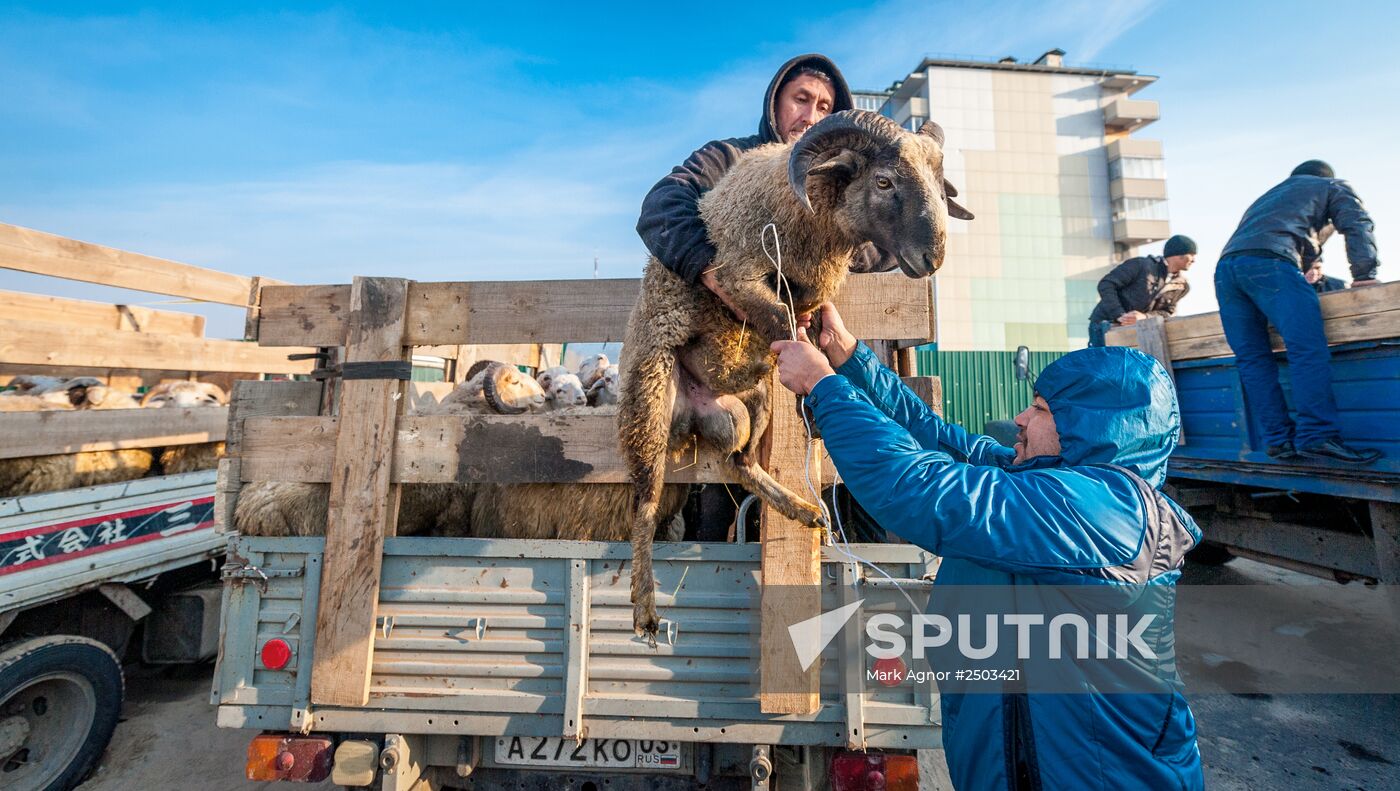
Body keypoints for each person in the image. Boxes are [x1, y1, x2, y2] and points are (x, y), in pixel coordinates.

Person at [770, 303, 1204, 791]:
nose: (1021, 417)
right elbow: (942, 441)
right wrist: (851, 360)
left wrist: (823, 385)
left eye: (1041, 409)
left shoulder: (1105, 511)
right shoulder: (1051, 485)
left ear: (1089, 429)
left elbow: (918, 487)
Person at [636, 53, 896, 323]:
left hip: (804, 341)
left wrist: (828, 252)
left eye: (823, 108)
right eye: (801, 100)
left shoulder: (843, 178)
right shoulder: (728, 156)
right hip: (713, 329)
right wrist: (714, 270)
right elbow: (661, 205)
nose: (810, 118)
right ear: (775, 103)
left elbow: (890, 238)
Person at [1216, 160, 1381, 463]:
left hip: (1227, 271)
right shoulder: (1331, 186)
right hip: (1271, 264)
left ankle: (1279, 441)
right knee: (1307, 349)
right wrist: (1365, 273)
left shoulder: (1268, 198)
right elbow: (1357, 223)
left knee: (1253, 359)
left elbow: (1297, 242)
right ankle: (1318, 436)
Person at [1087, 234, 1196, 347]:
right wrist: (1119, 314)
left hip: (1138, 330)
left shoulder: (1182, 286)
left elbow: (1167, 312)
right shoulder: (1141, 265)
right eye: (1191, 255)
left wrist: (1144, 317)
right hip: (1105, 325)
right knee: (1103, 363)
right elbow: (1106, 284)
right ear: (1178, 254)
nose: (1194, 260)